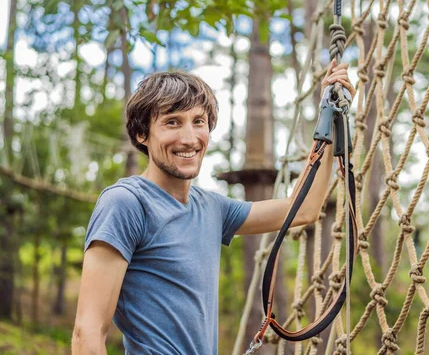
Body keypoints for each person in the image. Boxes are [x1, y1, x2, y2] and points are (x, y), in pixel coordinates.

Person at [71, 59, 355, 355]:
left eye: (198, 121)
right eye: (172, 122)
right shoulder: (126, 202)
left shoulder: (211, 207)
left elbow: (305, 209)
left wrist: (330, 115)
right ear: (142, 134)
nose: (189, 138)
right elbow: (87, 331)